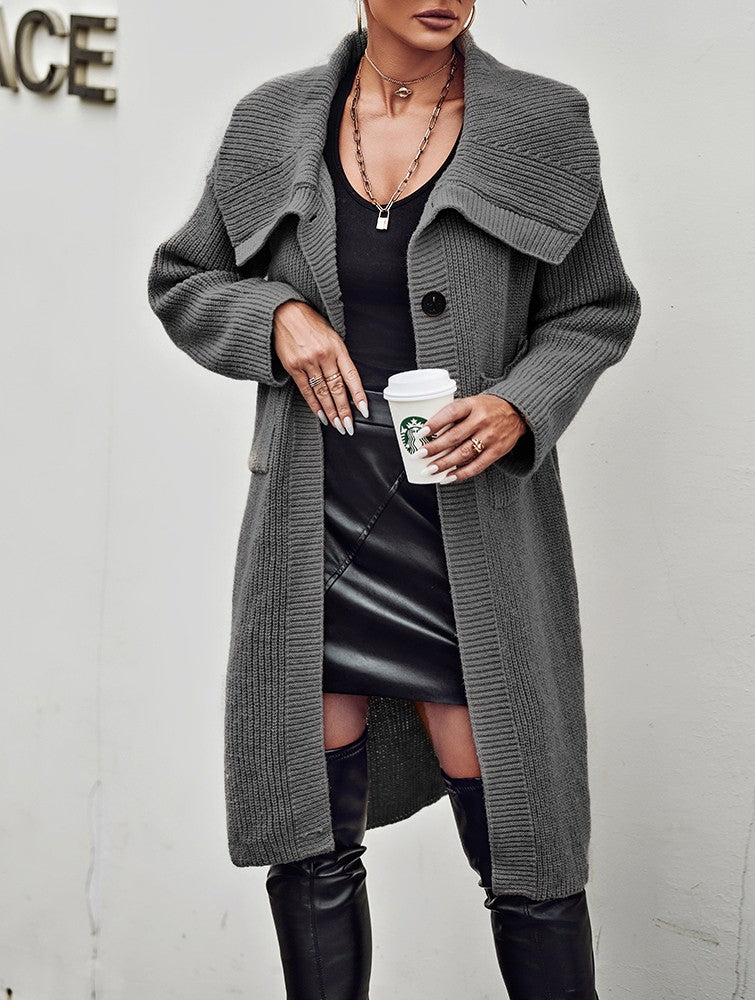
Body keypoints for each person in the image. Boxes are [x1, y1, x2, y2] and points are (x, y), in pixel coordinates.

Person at [147, 2, 642, 997]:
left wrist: (520, 404)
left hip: (464, 536)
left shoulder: (541, 124)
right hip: (316, 532)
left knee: (525, 844)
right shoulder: (271, 123)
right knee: (311, 841)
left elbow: (594, 309)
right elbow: (183, 280)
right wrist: (275, 315)